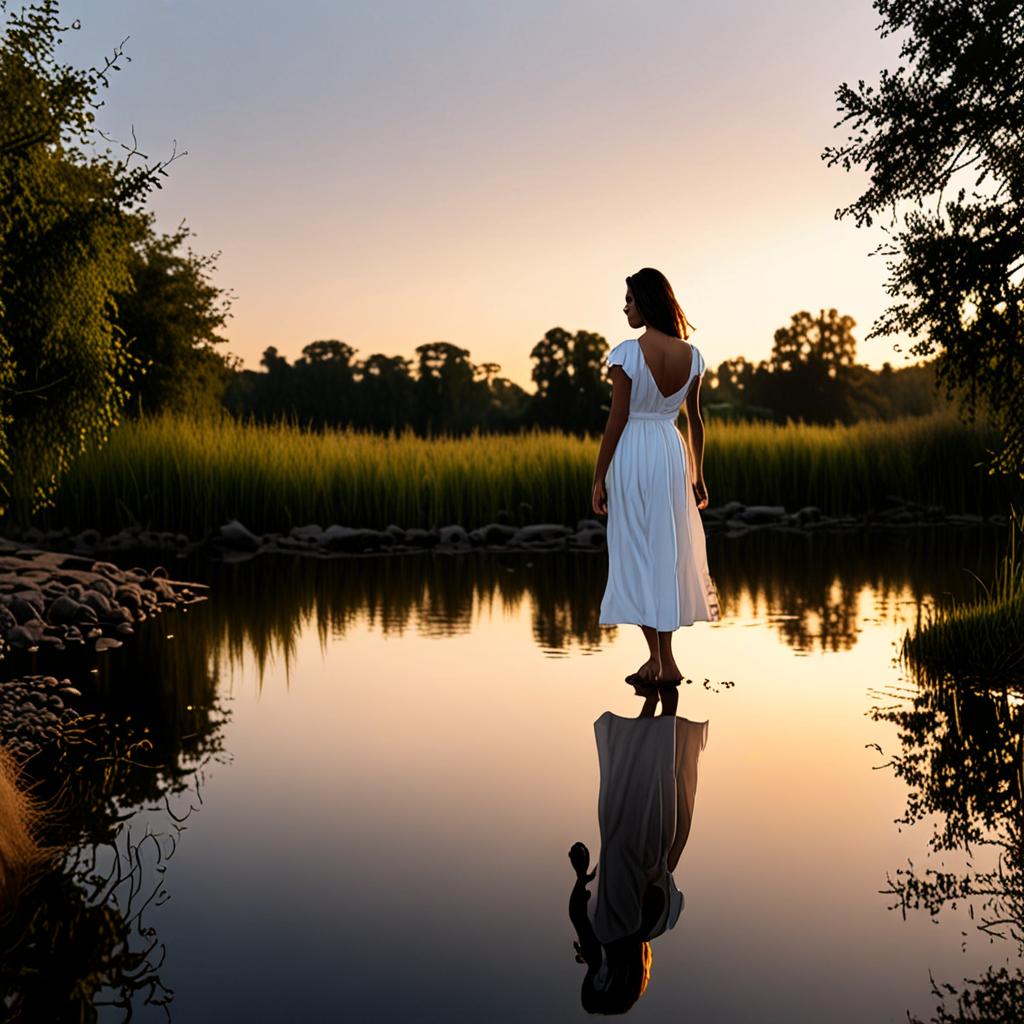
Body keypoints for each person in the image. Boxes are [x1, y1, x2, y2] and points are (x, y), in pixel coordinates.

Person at [592, 267, 721, 686]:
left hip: (634, 452)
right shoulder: (693, 355)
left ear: (646, 302)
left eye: (629, 299)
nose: (624, 306)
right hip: (671, 452)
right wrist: (698, 473)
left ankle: (658, 660)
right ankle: (664, 661)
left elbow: (617, 419)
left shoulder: (627, 353)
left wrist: (599, 476)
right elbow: (696, 421)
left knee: (636, 553)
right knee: (666, 551)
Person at [568, 684, 709, 1014]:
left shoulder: (623, 932)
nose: (597, 975)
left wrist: (580, 876)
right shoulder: (634, 929)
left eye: (592, 980)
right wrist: (600, 941)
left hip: (631, 839)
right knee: (647, 776)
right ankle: (664, 697)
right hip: (642, 840)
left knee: (629, 775)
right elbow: (650, 888)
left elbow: (581, 905)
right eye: (601, 982)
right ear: (616, 982)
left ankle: (654, 698)